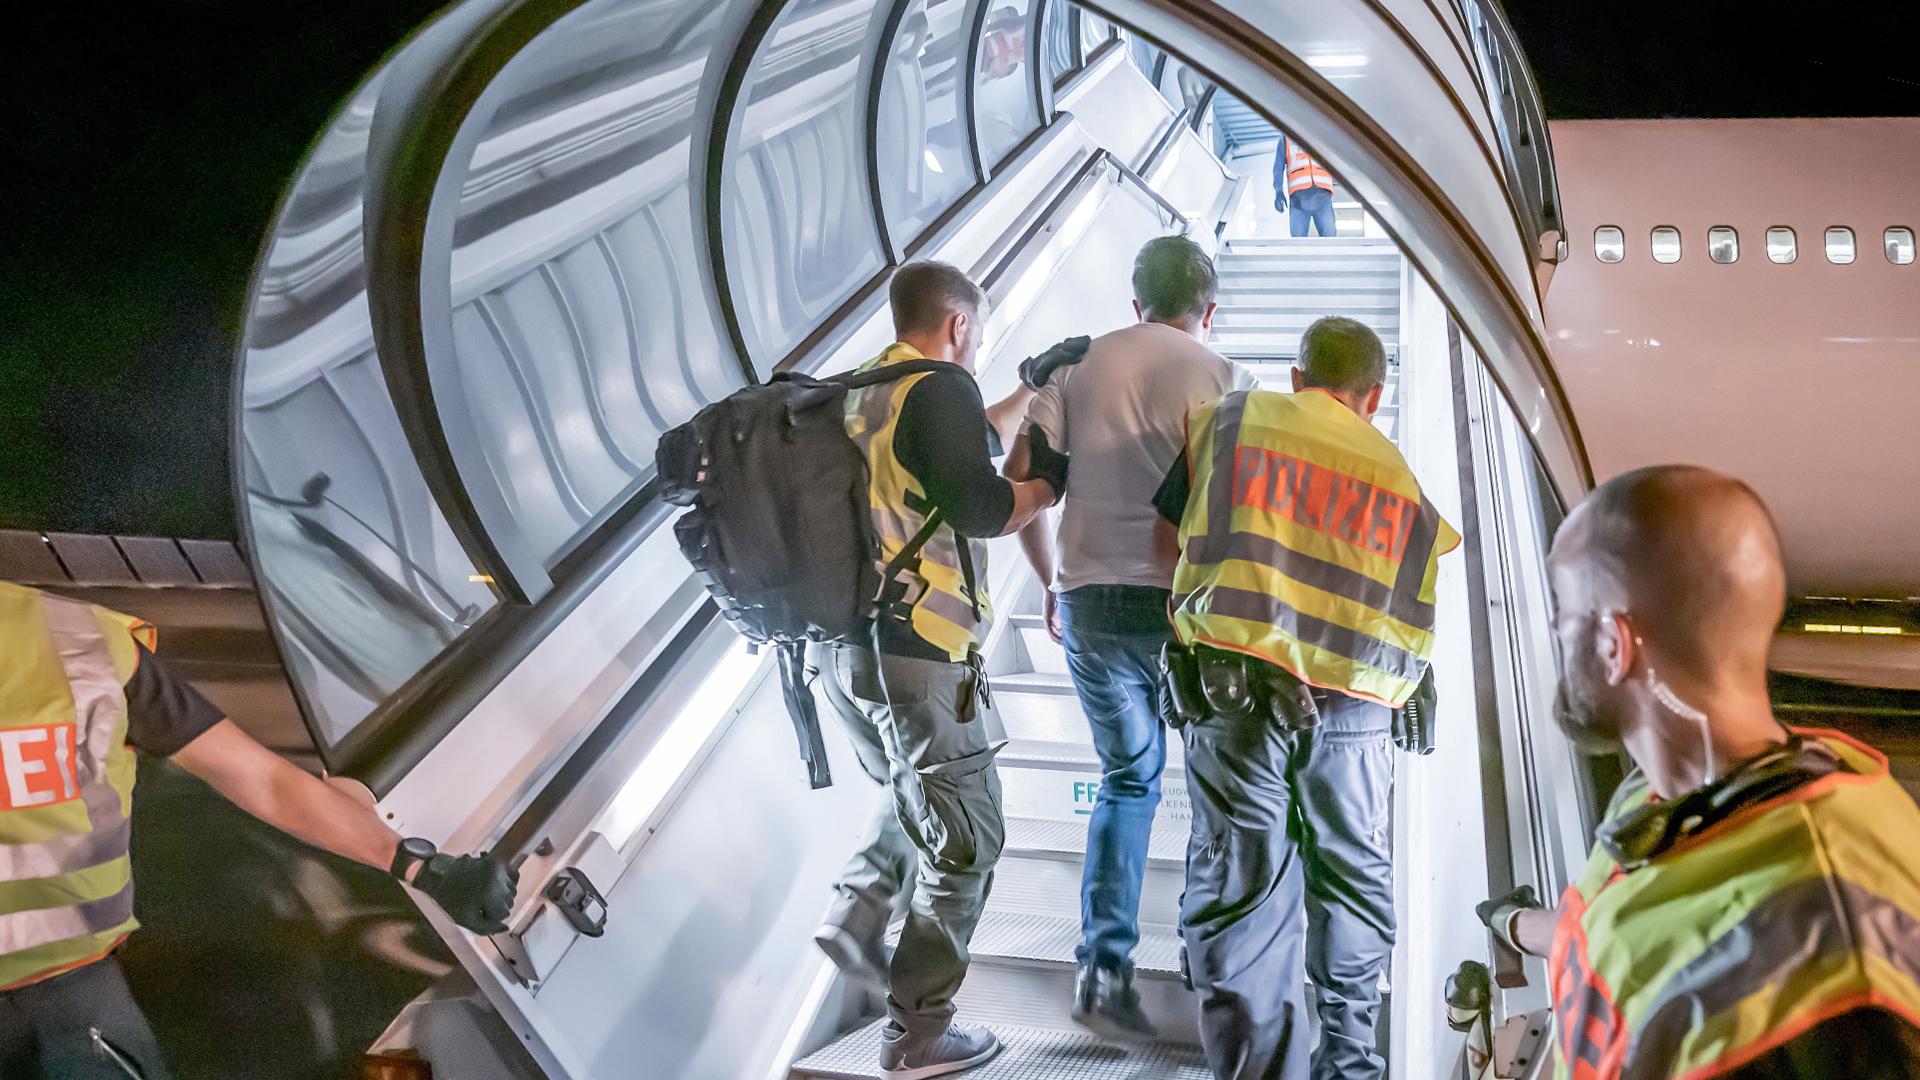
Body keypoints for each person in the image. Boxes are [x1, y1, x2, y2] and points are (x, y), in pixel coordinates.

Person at [1477, 466, 1920, 1080]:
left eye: (1564, 608)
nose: (1553, 629)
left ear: (1614, 645)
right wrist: (1512, 923)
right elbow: (1644, 942)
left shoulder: (1842, 981)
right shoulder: (1666, 798)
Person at [0, 580, 516, 1079]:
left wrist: (423, 869)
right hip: (74, 1003)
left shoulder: (77, 642)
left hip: (68, 1004)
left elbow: (262, 779)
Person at [1154, 316, 1458, 1080]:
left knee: (1244, 896)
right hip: (1358, 715)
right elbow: (1409, 613)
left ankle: (1259, 1068)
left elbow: (1173, 539)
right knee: (1353, 883)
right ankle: (1351, 1061)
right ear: (1376, 398)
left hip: (1237, 698)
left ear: (1297, 378)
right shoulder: (1400, 480)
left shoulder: (1234, 423)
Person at [809, 261, 1073, 1079]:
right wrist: (1046, 488)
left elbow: (952, 451)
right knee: (967, 841)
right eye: (979, 335)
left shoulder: (861, 391)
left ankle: (857, 913)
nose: (978, 350)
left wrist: (1029, 389)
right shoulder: (940, 389)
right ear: (958, 325)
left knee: (908, 791)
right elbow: (984, 506)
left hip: (845, 652)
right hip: (918, 651)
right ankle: (918, 1032)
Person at [1001, 234, 1252, 1039]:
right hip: (1184, 610)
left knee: (1127, 779)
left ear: (1135, 303)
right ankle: (1199, 951)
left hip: (1088, 601)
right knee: (1213, 780)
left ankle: (1103, 967)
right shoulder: (1223, 379)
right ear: (1206, 311)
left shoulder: (1073, 366)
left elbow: (1022, 494)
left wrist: (1051, 584)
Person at [1272, 133, 1336, 238]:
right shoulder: (1286, 137)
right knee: (1298, 245)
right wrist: (1278, 191)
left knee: (1331, 243)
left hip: (1322, 196)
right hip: (1299, 199)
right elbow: (1278, 166)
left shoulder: (1324, 133)